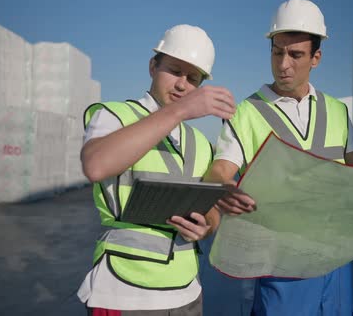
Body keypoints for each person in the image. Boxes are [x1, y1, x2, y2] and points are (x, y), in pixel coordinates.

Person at [204, 0, 353, 316]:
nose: (283, 64)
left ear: (316, 58)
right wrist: (221, 188)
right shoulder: (248, 113)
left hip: (335, 258)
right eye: (277, 52)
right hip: (282, 263)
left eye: (295, 55)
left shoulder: (337, 111)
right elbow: (220, 170)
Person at [77, 24, 236, 315]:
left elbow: (212, 209)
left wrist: (207, 226)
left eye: (193, 78)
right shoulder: (114, 116)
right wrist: (179, 111)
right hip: (123, 291)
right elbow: (95, 165)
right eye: (175, 71)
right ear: (153, 66)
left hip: (187, 291)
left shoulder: (201, 143)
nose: (182, 85)